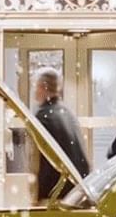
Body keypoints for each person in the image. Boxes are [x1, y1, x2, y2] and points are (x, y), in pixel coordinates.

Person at [33, 67, 91, 199]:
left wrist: (41, 195)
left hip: (57, 191)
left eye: (36, 86)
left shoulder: (44, 116)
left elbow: (45, 161)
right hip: (75, 191)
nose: (35, 90)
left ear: (43, 87)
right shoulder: (67, 113)